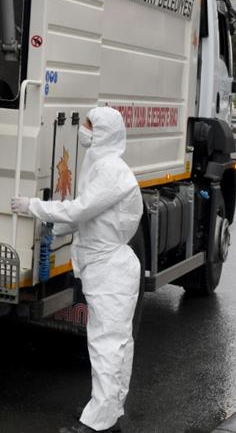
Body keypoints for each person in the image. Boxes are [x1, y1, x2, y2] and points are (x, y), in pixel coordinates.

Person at [10, 106, 142, 433]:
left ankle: (99, 423)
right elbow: (92, 218)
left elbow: (81, 209)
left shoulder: (110, 170)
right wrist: (56, 231)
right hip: (105, 268)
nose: (83, 130)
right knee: (114, 345)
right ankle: (109, 413)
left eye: (89, 125)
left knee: (107, 346)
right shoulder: (100, 165)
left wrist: (34, 207)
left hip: (110, 270)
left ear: (105, 133)